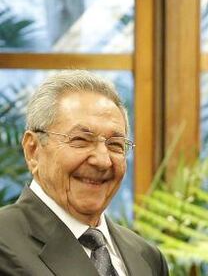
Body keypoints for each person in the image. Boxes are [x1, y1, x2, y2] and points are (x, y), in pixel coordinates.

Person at [0, 70, 169, 275]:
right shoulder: (5, 243)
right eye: (80, 140)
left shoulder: (147, 257)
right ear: (33, 150)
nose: (102, 161)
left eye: (115, 144)